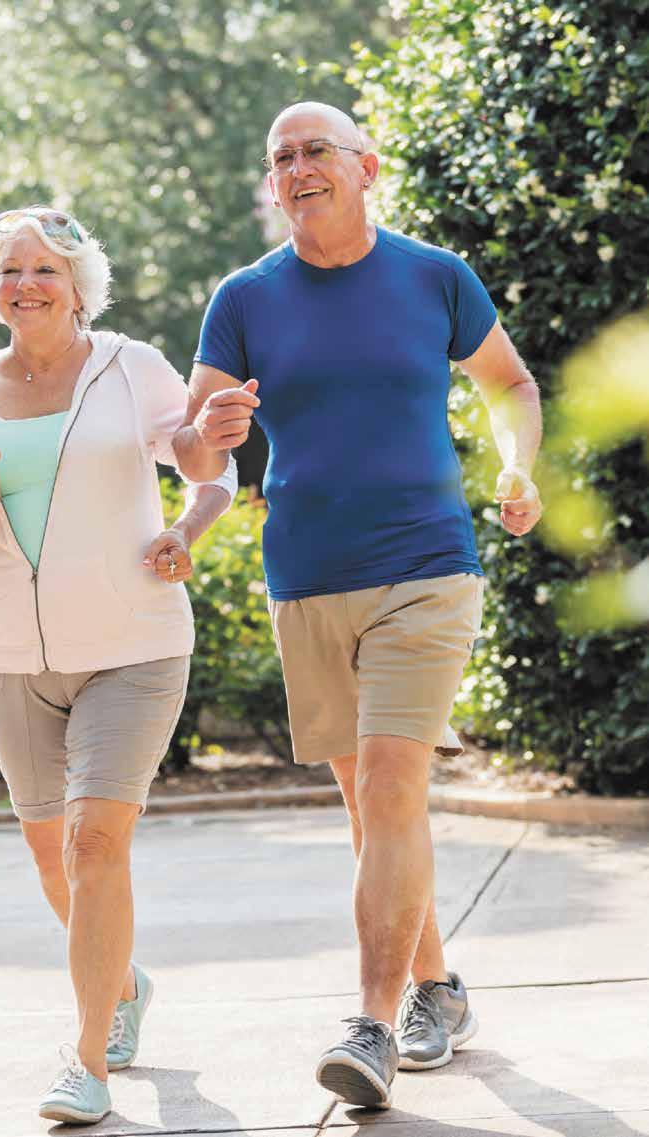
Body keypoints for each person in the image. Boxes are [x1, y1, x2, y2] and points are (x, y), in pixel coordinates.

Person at [176, 103, 543, 1109]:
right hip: (307, 574)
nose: (298, 167)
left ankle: (372, 1027)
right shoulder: (244, 297)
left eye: (316, 151)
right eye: (281, 157)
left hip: (427, 564)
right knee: (374, 803)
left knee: (388, 782)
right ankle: (439, 989)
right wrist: (209, 430)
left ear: (366, 167)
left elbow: (510, 384)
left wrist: (517, 466)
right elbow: (193, 446)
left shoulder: (434, 276)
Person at [0, 206, 237, 1125]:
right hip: (9, 658)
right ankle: (122, 983)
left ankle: (86, 1060)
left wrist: (188, 520)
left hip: (134, 645)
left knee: (95, 844)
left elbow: (204, 465)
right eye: (10, 270)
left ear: (79, 285)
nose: (26, 284)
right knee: (54, 856)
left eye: (45, 269)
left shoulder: (131, 367)